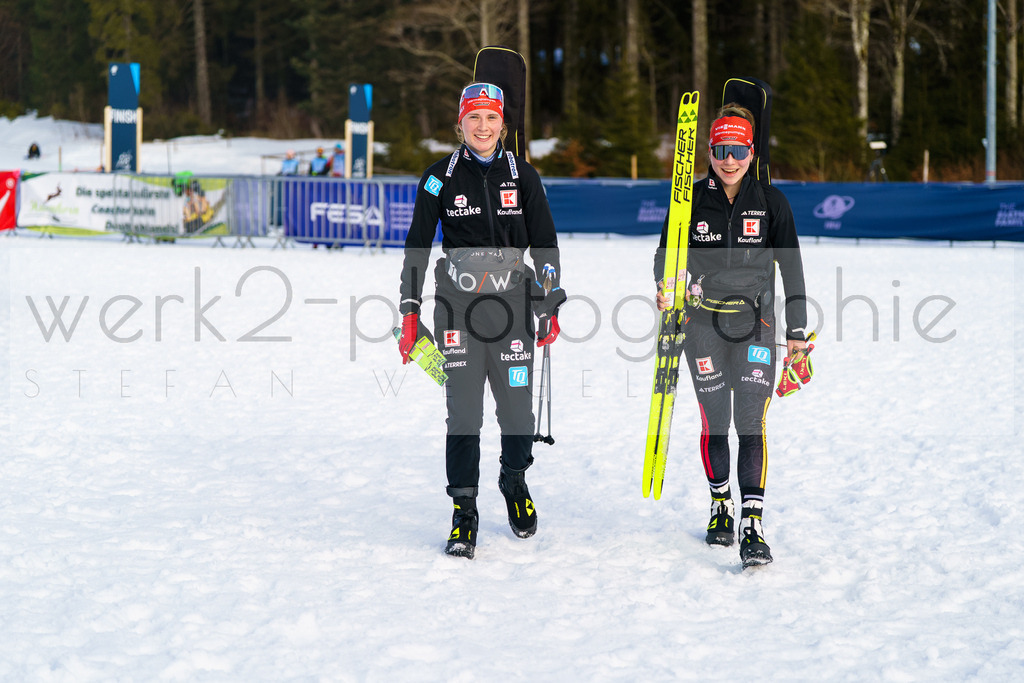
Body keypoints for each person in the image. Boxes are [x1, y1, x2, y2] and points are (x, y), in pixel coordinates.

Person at [398, 82, 565, 560]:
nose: (483, 127)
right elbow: (417, 246)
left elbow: (546, 243)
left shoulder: (524, 175)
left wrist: (550, 298)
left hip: (513, 308)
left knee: (517, 415)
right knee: (464, 414)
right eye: (474, 118)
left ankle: (514, 479)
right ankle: (463, 510)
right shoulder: (438, 178)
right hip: (457, 309)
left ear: (503, 126)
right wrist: (410, 311)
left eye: (491, 119)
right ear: (460, 124)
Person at [654, 103, 809, 568]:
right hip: (701, 327)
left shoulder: (772, 202)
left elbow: (793, 268)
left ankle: (752, 523)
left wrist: (797, 334)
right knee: (713, 420)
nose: (729, 159)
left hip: (757, 325)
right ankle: (719, 502)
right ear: (710, 150)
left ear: (751, 151)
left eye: (738, 150)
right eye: (721, 149)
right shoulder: (688, 201)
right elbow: (665, 255)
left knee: (751, 421)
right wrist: (666, 287)